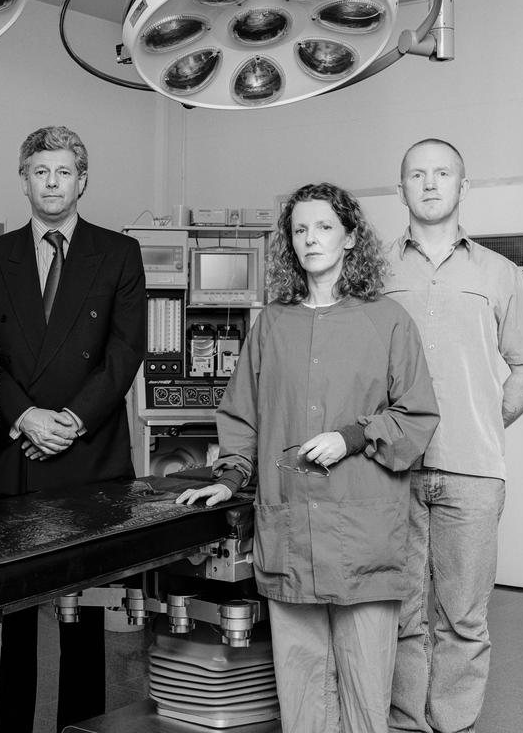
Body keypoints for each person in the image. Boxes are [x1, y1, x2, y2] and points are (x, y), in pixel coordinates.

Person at [177, 182, 440, 733]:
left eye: (323, 226)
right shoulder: (271, 323)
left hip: (363, 531)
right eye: (299, 229)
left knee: (366, 691)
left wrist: (353, 436)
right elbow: (243, 416)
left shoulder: (386, 319)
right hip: (291, 527)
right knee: (298, 689)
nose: (310, 239)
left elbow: (416, 416)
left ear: (349, 238)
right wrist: (230, 478)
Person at [0, 125, 146, 733]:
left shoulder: (119, 253)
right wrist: (25, 417)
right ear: (24, 179)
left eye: (63, 171)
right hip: (15, 451)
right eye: (40, 171)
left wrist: (69, 420)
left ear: (82, 180)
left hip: (87, 455)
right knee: (13, 617)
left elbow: (125, 352)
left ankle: (81, 727)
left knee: (83, 617)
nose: (51, 182)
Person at [385, 139, 523, 733]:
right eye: (417, 174)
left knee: (463, 617)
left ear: (463, 187)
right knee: (399, 613)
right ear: (401, 187)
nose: (430, 183)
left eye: (443, 173)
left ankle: (453, 725)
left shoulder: (501, 275)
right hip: (389, 470)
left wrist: (485, 415)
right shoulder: (374, 272)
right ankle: (406, 722)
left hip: (473, 472)